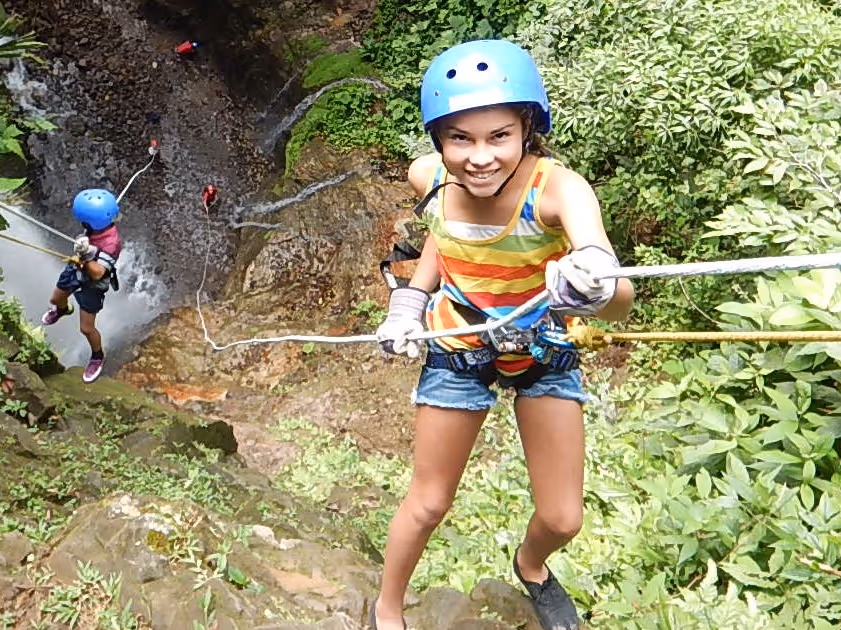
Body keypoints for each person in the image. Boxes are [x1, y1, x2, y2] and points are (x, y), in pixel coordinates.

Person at [371, 39, 634, 630]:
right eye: (460, 139)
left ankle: (531, 564)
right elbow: (442, 231)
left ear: (527, 131)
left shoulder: (558, 191)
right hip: (460, 344)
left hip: (542, 347)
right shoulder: (428, 177)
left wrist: (592, 281)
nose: (480, 157)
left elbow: (620, 300)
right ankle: (387, 608)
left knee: (563, 517)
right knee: (428, 502)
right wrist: (410, 301)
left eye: (499, 137)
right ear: (438, 141)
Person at [41, 189, 122, 384]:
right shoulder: (97, 227)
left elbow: (98, 273)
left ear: (92, 222)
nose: (81, 223)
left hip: (92, 283)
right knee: (55, 299)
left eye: (84, 221)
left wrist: (85, 256)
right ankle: (62, 309)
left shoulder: (111, 244)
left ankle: (97, 356)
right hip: (77, 268)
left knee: (86, 328)